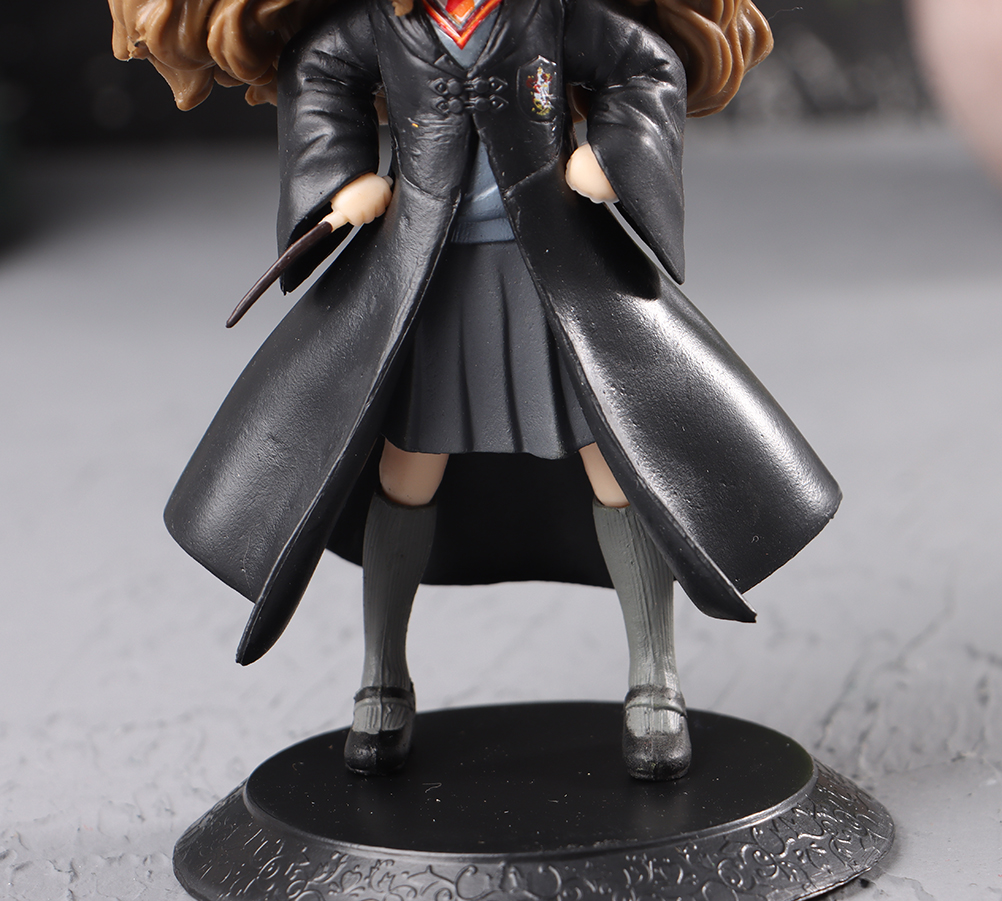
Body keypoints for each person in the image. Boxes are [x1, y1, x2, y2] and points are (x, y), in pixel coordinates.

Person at [110, 0, 840, 781]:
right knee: (406, 469)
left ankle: (654, 682)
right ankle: (382, 680)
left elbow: (646, 63)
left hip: (552, 269)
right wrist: (341, 176)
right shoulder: (388, 22)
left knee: (619, 461)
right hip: (428, 272)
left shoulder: (550, 12)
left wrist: (614, 154)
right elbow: (318, 70)